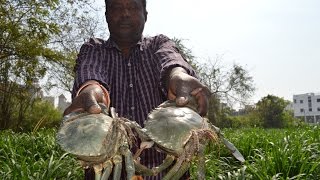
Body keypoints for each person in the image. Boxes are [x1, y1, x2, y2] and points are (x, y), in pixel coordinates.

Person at [63, 0, 211, 179]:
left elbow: (171, 60)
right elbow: (90, 71)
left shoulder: (159, 44)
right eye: (117, 7)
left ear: (145, 15)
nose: (125, 13)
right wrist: (91, 90)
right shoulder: (94, 48)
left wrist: (178, 76)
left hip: (168, 171)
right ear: (107, 16)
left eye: (132, 7)